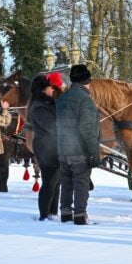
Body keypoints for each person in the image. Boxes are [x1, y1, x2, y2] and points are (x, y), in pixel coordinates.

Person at [56, 64, 100, 225]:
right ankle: (80, 216)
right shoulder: (85, 100)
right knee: (81, 182)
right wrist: (94, 152)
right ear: (86, 82)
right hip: (79, 150)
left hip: (63, 149)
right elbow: (87, 129)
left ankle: (66, 213)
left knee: (66, 183)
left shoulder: (62, 98)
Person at [28, 73, 62, 221]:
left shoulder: (48, 103)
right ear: (43, 89)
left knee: (56, 182)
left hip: (53, 145)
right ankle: (44, 214)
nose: (52, 90)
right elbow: (52, 126)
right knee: (49, 181)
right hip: (45, 147)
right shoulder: (38, 107)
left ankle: (52, 212)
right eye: (50, 87)